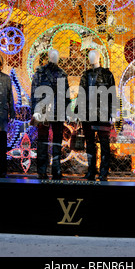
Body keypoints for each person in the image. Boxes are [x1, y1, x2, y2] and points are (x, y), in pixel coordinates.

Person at [30, 49, 70, 180]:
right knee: (42, 141)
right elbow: (34, 92)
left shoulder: (62, 74)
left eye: (56, 56)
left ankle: (56, 170)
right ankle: (42, 170)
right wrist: (35, 111)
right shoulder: (40, 73)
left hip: (58, 110)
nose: (54, 58)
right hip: (43, 110)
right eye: (53, 56)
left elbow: (66, 95)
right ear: (48, 57)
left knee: (57, 141)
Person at [77, 50, 117, 181]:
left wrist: (113, 112)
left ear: (99, 57)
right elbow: (81, 94)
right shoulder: (86, 74)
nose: (91, 58)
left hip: (103, 114)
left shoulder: (107, 74)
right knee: (89, 143)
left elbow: (112, 94)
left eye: (93, 56)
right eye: (89, 56)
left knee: (104, 144)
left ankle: (104, 172)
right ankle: (91, 171)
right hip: (88, 113)